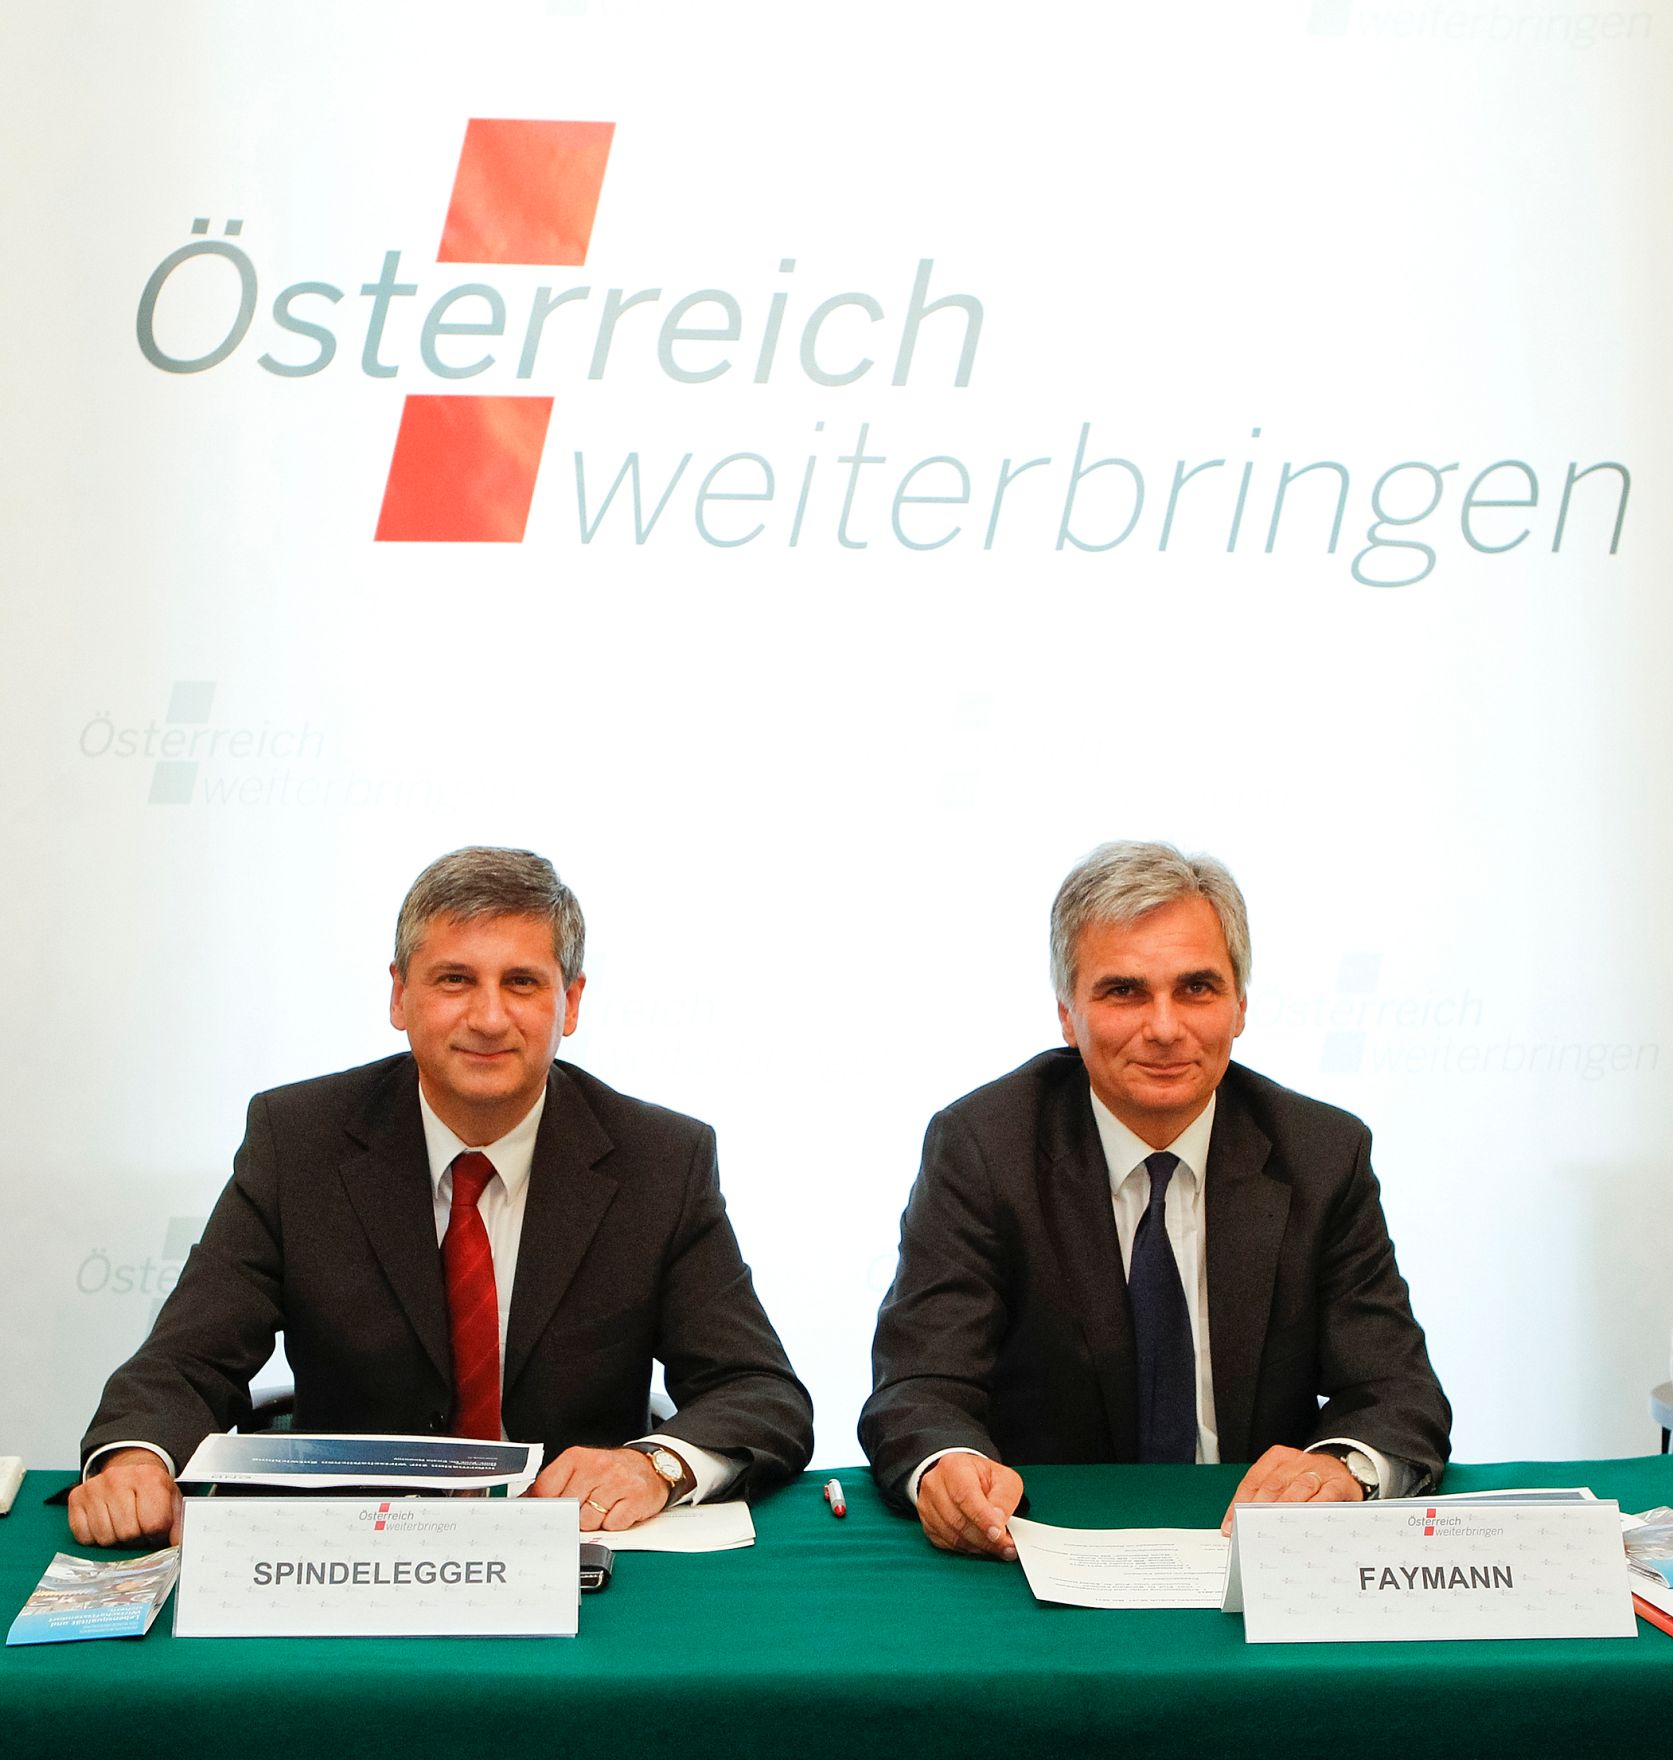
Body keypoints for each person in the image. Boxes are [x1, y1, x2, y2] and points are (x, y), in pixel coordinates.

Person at [71, 846, 812, 1547]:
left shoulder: (660, 1160)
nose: (489, 1018)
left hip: (571, 1552)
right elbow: (185, 1361)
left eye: (521, 982)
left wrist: (654, 1466)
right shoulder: (297, 1142)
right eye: (454, 980)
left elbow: (758, 1390)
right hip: (344, 1553)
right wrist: (138, 1458)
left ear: (571, 1002)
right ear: (399, 995)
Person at [860, 840, 1449, 1560]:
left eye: (1196, 988)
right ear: (1067, 1016)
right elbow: (921, 1384)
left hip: (1255, 1549)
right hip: (1041, 1548)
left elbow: (1398, 1392)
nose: (1165, 1027)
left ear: (1239, 1006)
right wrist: (944, 1464)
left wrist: (1338, 1470)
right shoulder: (984, 1147)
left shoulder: (1320, 1154)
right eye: (1124, 991)